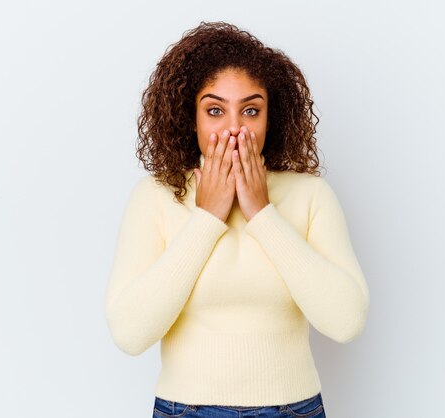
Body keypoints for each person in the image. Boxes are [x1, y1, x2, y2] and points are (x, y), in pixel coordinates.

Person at [104, 21, 370, 418]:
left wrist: (263, 213)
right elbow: (129, 333)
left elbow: (346, 322)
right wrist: (207, 218)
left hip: (293, 409)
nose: (234, 129)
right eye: (215, 110)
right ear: (190, 118)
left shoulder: (309, 195)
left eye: (250, 110)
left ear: (270, 117)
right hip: (185, 410)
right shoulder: (156, 197)